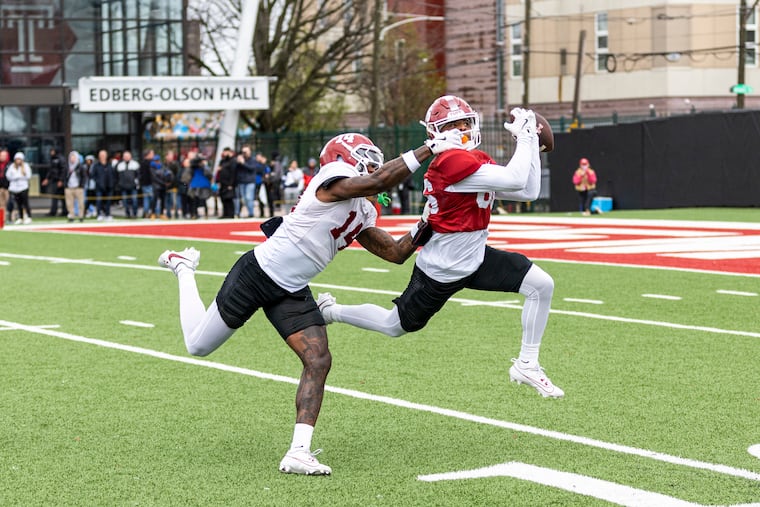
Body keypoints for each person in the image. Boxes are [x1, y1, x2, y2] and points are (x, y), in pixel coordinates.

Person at [157, 130, 462, 475]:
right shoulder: (330, 180)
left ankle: (298, 451)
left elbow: (394, 253)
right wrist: (429, 148)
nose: (372, 161)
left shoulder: (363, 207)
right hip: (258, 273)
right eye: (363, 154)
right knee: (198, 346)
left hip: (292, 287)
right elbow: (377, 181)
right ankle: (183, 268)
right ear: (340, 158)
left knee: (318, 359)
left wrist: (429, 220)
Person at [317, 96, 563, 399]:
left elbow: (528, 191)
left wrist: (533, 148)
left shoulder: (471, 159)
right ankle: (331, 311)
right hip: (441, 270)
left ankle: (527, 363)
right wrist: (525, 137)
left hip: (475, 257)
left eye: (464, 122)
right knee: (394, 325)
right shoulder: (449, 161)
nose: (461, 129)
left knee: (542, 285)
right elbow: (514, 179)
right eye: (451, 124)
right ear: (436, 132)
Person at [7, 152, 33, 224]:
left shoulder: (26, 166)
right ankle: (20, 217)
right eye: (17, 159)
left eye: (19, 159)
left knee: (25, 203)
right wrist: (16, 177)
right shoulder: (12, 166)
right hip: (14, 188)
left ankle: (28, 216)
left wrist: (21, 176)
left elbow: (28, 176)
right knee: (18, 204)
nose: (18, 161)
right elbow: (8, 176)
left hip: (23, 187)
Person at [42, 148, 68, 217]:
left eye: (52, 151)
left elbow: (63, 170)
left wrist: (61, 180)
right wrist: (47, 179)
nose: (51, 152)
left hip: (59, 181)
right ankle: (53, 212)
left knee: (63, 198)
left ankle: (65, 211)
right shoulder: (52, 159)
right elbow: (50, 170)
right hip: (54, 180)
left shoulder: (61, 159)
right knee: (54, 197)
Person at [91, 149, 116, 221]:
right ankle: (99, 214)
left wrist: (112, 182)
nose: (102, 156)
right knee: (99, 201)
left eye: (104, 155)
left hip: (109, 186)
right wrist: (98, 182)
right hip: (99, 187)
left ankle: (108, 214)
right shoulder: (96, 165)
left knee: (108, 201)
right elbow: (93, 175)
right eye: (101, 155)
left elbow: (114, 175)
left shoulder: (110, 165)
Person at [64, 150, 87, 222]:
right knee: (69, 203)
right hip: (69, 187)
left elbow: (84, 176)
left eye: (74, 157)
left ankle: (81, 216)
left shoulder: (80, 167)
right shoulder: (67, 167)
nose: (72, 159)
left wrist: (82, 185)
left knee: (81, 203)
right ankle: (71, 216)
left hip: (78, 187)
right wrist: (65, 185)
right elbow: (64, 176)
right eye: (71, 157)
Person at [117, 150, 140, 218]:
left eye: (128, 156)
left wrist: (136, 183)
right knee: (125, 201)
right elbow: (117, 176)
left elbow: (138, 175)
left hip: (133, 186)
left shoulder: (135, 164)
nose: (126, 157)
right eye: (125, 156)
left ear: (130, 157)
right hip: (123, 187)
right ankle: (128, 214)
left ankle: (135, 214)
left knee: (134, 200)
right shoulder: (120, 165)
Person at [216, 147, 237, 219]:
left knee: (229, 199)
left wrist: (231, 184)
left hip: (229, 183)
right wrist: (218, 181)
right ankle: (225, 214)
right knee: (223, 199)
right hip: (222, 183)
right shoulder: (222, 161)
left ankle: (231, 214)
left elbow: (233, 173)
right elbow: (219, 172)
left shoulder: (233, 161)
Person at [265, 151, 283, 217]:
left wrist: (271, 179)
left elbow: (276, 174)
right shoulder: (276, 163)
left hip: (274, 182)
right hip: (275, 182)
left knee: (273, 196)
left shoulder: (276, 163)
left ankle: (275, 209)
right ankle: (273, 210)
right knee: (273, 196)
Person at [0, 149, 10, 224]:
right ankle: (2, 219)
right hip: (0, 188)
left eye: (4, 155)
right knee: (1, 204)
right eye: (1, 155)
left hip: (8, 188)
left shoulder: (10, 165)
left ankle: (8, 218)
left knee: (9, 203)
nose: (2, 157)